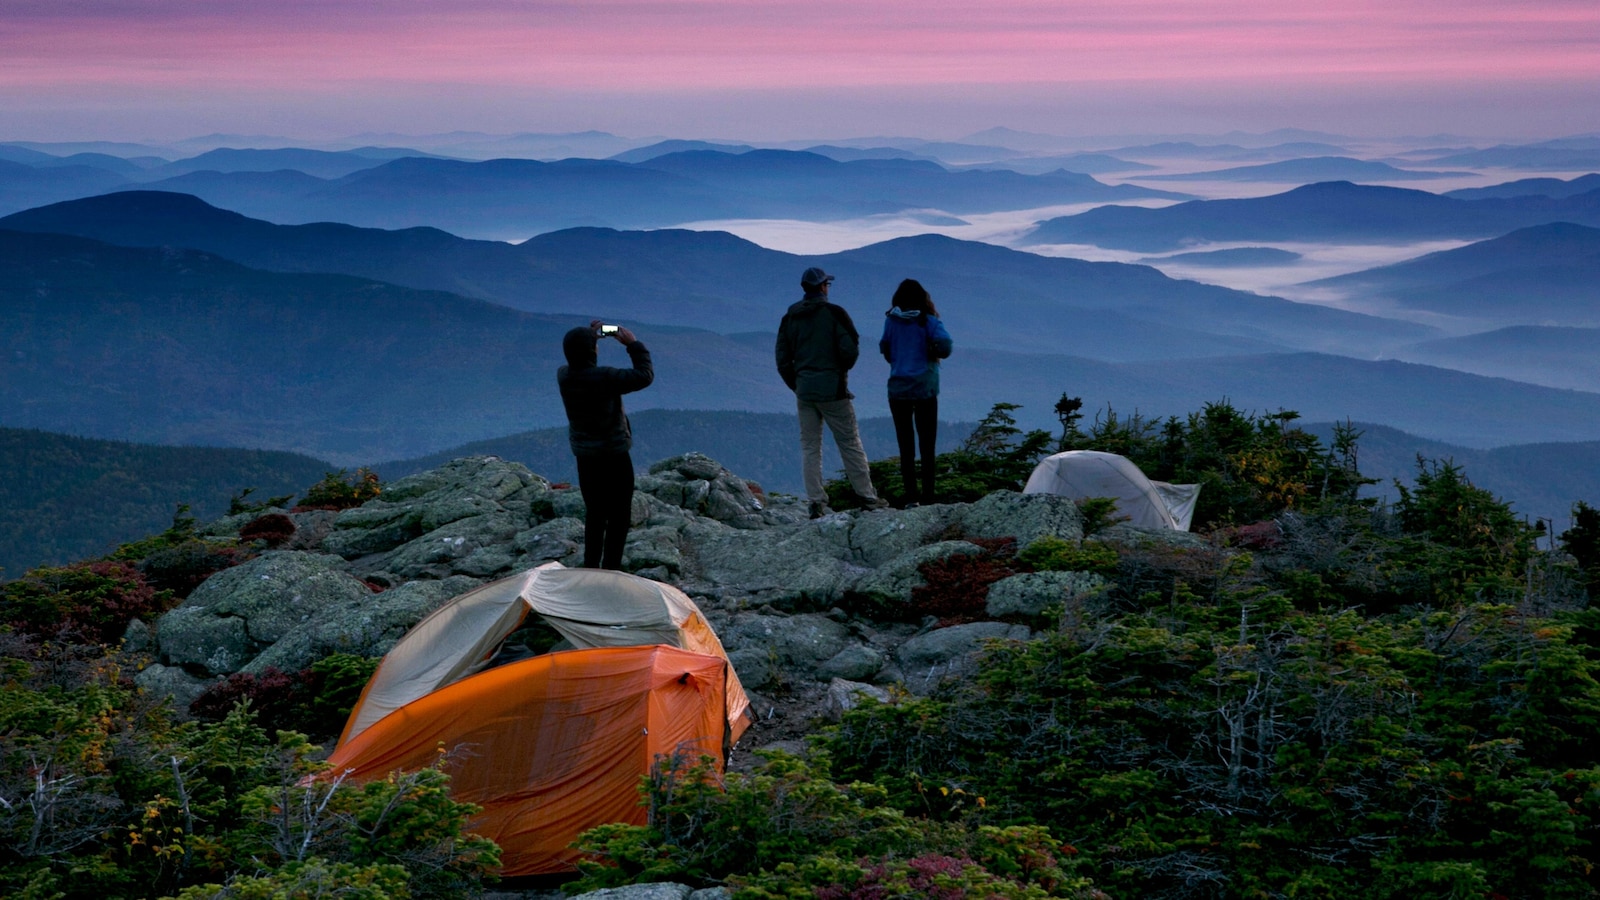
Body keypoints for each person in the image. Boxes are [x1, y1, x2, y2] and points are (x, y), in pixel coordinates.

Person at [776, 267, 890, 518]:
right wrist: (838, 372)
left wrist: (798, 384)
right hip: (834, 391)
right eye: (827, 284)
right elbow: (850, 350)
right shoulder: (835, 314)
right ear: (823, 287)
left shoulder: (790, 317)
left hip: (804, 391)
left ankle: (816, 502)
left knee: (809, 446)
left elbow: (782, 359)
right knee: (849, 443)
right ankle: (867, 497)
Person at [557, 320, 653, 569]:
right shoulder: (606, 377)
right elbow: (644, 376)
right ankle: (611, 568)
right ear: (593, 351)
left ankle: (590, 565)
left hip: (585, 456)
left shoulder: (564, 375)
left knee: (595, 512)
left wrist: (591, 336)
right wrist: (633, 344)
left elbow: (580, 356)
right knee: (619, 513)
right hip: (614, 455)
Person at [879, 279, 954, 507]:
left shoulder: (891, 322)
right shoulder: (929, 321)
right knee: (927, 444)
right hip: (925, 388)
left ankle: (911, 496)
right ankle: (928, 497)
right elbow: (946, 346)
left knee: (906, 445)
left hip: (898, 389)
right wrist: (930, 351)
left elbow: (885, 349)